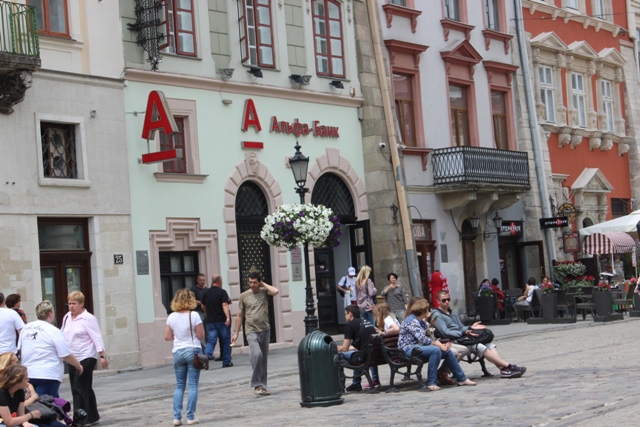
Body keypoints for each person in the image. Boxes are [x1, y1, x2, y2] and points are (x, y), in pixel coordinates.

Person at [432, 291, 526, 379]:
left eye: (448, 299)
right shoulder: (437, 315)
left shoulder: (452, 312)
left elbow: (461, 327)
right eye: (444, 300)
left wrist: (471, 327)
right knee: (479, 346)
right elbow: (445, 332)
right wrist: (464, 332)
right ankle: (508, 366)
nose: (447, 302)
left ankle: (504, 370)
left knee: (490, 345)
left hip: (463, 337)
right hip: (452, 341)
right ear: (438, 301)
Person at [398, 298, 476, 390]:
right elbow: (423, 339)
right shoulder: (411, 321)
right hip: (408, 348)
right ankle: (431, 382)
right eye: (427, 309)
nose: (429, 311)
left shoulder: (420, 321)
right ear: (423, 310)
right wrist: (440, 346)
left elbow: (430, 336)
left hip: (417, 346)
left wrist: (443, 346)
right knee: (435, 350)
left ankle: (462, 378)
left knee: (447, 351)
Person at [60, 291, 108, 427]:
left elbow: (97, 337)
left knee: (79, 386)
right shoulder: (67, 317)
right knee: (85, 387)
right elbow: (62, 332)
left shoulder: (88, 318)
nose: (71, 306)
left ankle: (79, 418)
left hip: (86, 356)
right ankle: (92, 415)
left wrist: (102, 356)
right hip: (72, 357)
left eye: (74, 304)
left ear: (81, 304)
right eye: (69, 303)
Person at [18, 300, 83, 398]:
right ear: (50, 313)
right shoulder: (53, 330)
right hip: (47, 373)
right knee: (44, 404)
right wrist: (77, 365)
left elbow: (20, 350)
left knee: (52, 402)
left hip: (28, 372)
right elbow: (65, 354)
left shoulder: (26, 328)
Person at [231, 273, 279, 397]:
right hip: (251, 330)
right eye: (250, 282)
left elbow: (276, 291)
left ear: (259, 282)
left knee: (263, 359)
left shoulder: (264, 292)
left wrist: (263, 284)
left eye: (254, 282)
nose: (252, 284)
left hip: (265, 329)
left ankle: (262, 386)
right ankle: (256, 384)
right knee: (257, 354)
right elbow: (240, 315)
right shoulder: (244, 296)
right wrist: (236, 333)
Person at [164, 288, 204, 426]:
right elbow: (201, 335)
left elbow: (167, 336)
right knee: (192, 385)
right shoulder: (194, 315)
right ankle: (190, 417)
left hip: (178, 351)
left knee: (180, 385)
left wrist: (177, 336)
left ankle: (176, 417)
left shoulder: (171, 317)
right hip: (192, 351)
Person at [336, 305, 380, 391]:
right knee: (357, 354)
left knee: (340, 356)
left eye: (345, 314)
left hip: (363, 356)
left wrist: (339, 349)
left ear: (350, 314)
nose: (345, 316)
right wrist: (345, 347)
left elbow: (345, 349)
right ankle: (373, 380)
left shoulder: (350, 325)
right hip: (375, 355)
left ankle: (345, 385)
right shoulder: (366, 322)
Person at [202, 275, 232, 367]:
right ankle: (226, 361)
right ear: (219, 281)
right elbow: (224, 304)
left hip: (211, 321)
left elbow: (203, 305)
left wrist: (208, 313)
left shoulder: (206, 292)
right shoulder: (222, 292)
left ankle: (205, 359)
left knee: (211, 341)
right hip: (221, 321)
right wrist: (227, 317)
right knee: (226, 341)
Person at [190, 274, 208, 342]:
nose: (202, 281)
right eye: (200, 280)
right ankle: (204, 348)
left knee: (208, 331)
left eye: (203, 280)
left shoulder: (207, 290)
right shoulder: (193, 289)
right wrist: (201, 303)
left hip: (207, 312)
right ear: (197, 280)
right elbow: (191, 300)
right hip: (198, 312)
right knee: (201, 330)